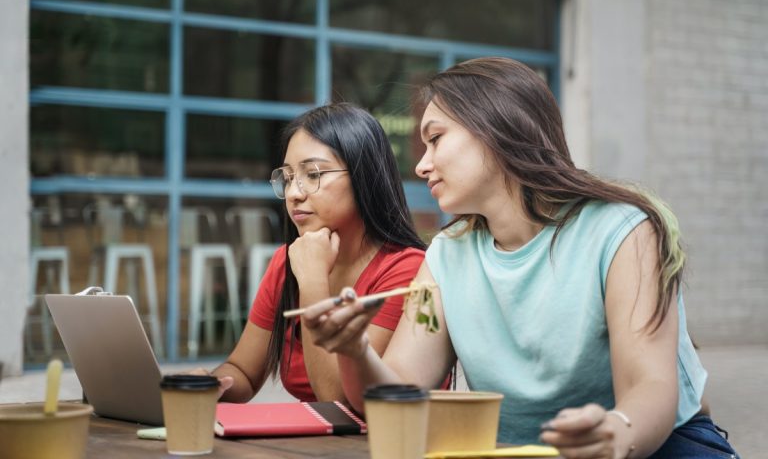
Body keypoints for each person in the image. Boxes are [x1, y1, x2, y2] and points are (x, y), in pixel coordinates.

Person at [300, 58, 739, 458]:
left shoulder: (623, 230)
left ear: (497, 127)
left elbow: (652, 386)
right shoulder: (446, 255)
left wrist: (613, 434)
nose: (421, 165)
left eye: (436, 139)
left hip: (658, 446)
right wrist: (355, 350)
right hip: (516, 450)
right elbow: (395, 392)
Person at [196, 103, 426, 404]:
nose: (294, 193)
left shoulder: (407, 269)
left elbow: (338, 399)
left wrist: (313, 279)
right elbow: (244, 371)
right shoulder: (287, 260)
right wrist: (214, 383)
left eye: (313, 174)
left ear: (363, 175)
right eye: (288, 177)